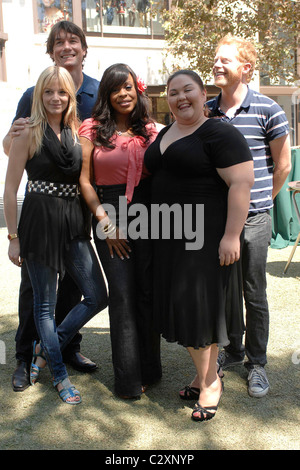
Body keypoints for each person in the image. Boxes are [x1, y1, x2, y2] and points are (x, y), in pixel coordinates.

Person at [144, 70, 254, 421]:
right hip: (169, 238)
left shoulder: (218, 132)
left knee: (196, 310)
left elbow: (241, 182)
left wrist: (231, 235)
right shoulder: (166, 132)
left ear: (202, 92)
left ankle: (210, 383)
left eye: (187, 90)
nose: (180, 98)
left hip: (203, 240)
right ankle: (203, 374)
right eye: (173, 93)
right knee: (184, 307)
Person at [2, 21, 100, 393]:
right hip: (40, 218)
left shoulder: (89, 107)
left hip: (75, 218)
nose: (56, 96)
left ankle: (56, 347)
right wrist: (13, 237)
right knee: (37, 297)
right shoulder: (30, 106)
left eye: (72, 41)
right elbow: (12, 163)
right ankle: (33, 363)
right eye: (58, 42)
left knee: (87, 293)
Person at [206, 34, 291, 397]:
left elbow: (283, 166)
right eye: (214, 58)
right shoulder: (206, 110)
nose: (217, 64)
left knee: (254, 293)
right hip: (216, 221)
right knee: (224, 292)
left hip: (255, 218)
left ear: (246, 68)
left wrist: (260, 203)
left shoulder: (269, 110)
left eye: (225, 59)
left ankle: (256, 363)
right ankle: (233, 351)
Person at [79, 63, 162, 399]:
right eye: (116, 89)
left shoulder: (150, 130)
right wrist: (106, 223)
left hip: (149, 211)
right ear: (107, 95)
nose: (123, 94)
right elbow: (84, 180)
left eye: (128, 87)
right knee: (123, 296)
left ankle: (150, 371)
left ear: (136, 89)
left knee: (146, 293)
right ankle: (128, 380)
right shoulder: (92, 128)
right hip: (109, 210)